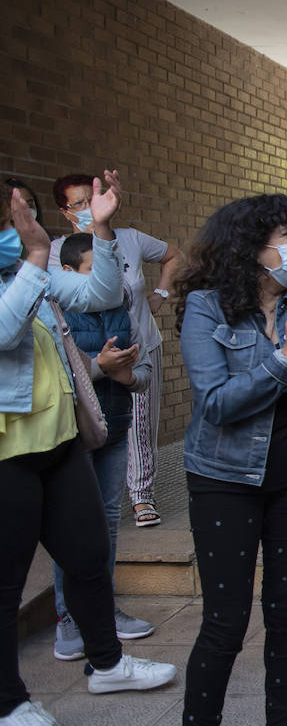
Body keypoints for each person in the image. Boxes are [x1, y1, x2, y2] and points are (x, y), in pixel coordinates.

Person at [0, 177, 177, 726]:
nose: (24, 226)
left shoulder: (37, 274)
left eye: (25, 215)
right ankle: (7, 702)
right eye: (14, 217)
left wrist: (100, 229)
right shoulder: (28, 269)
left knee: (88, 558)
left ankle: (106, 662)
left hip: (59, 444)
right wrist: (30, 256)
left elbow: (101, 295)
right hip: (8, 457)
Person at [174, 194, 287, 726]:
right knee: (226, 618)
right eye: (285, 235)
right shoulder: (205, 308)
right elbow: (217, 405)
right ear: (249, 248)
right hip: (224, 478)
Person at [52, 173, 182, 529]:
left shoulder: (130, 239)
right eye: (76, 204)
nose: (85, 208)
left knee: (140, 423)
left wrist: (161, 295)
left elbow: (173, 255)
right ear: (65, 211)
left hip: (139, 344)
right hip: (88, 353)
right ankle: (94, 493)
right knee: (97, 423)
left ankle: (141, 497)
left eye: (88, 200)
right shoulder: (57, 251)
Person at [51, 233, 155, 662]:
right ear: (70, 275)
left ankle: (103, 610)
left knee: (108, 522)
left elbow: (143, 369)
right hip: (74, 433)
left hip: (115, 427)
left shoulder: (120, 310)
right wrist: (100, 367)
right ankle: (67, 618)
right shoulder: (54, 312)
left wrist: (130, 378)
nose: (106, 280)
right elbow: (59, 375)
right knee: (73, 526)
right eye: (95, 270)